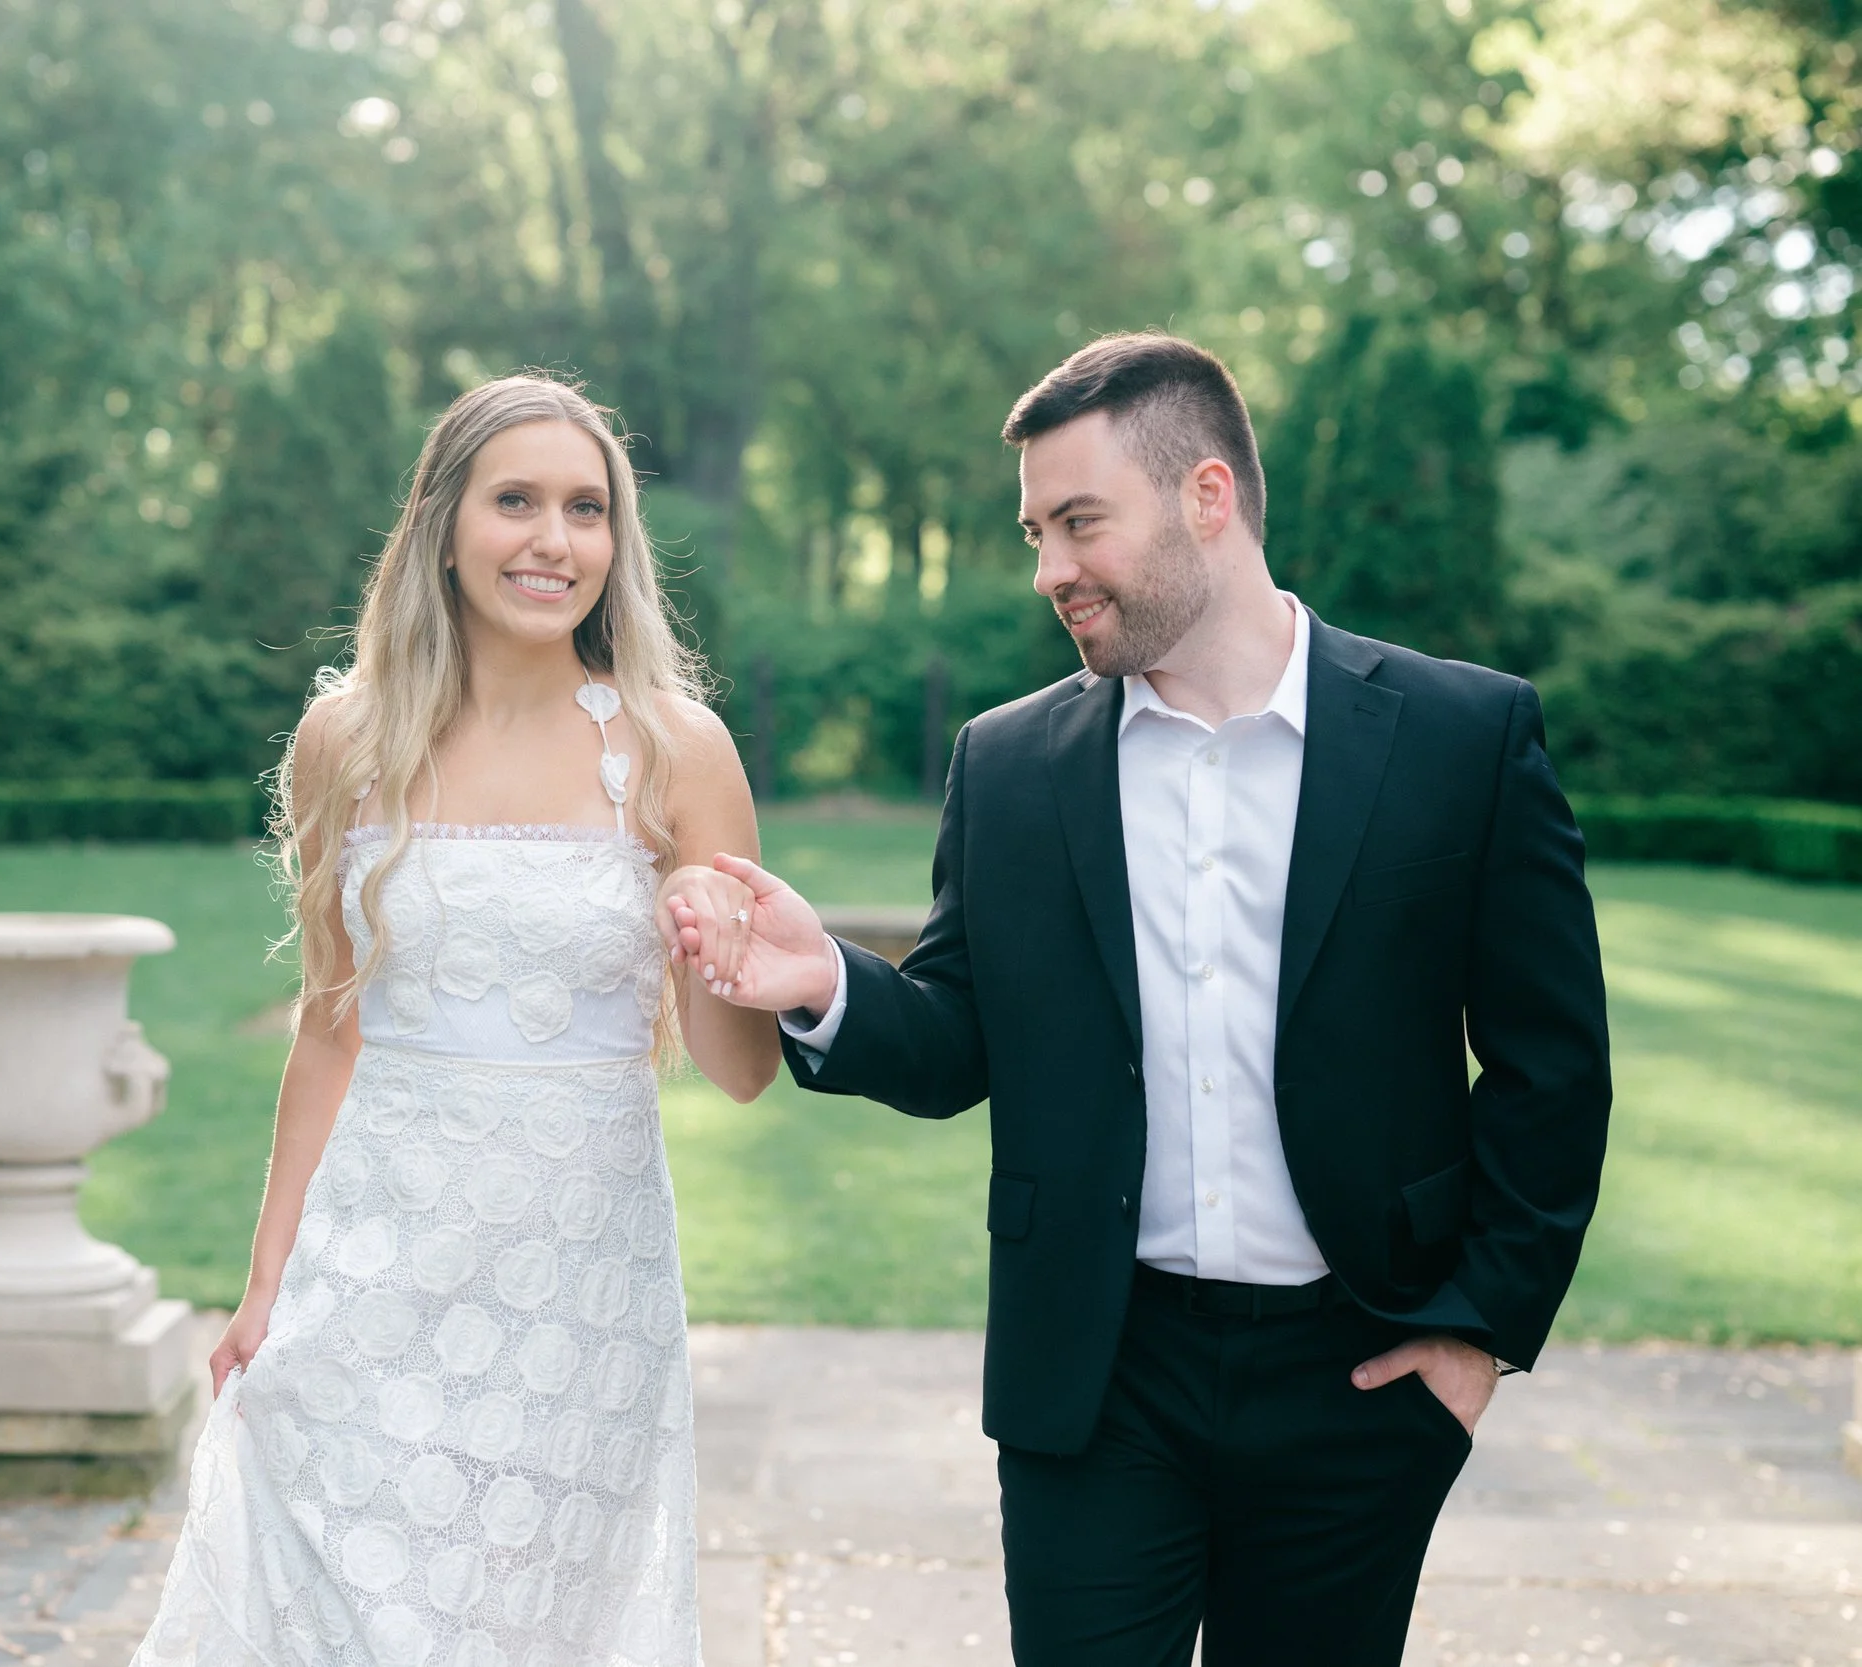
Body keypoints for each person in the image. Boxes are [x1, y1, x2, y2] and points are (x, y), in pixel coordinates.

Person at [669, 333, 1612, 1665]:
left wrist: (1474, 1337)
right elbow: (957, 1038)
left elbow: (1551, 1066)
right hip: (1096, 1377)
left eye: (1079, 522)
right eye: (1036, 532)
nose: (1049, 569)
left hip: (1361, 1380)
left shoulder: (1462, 738)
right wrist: (824, 980)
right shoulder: (1010, 765)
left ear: (1206, 497)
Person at [129, 373, 775, 1667]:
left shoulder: (678, 749)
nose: (555, 539)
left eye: (586, 508)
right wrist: (266, 1286)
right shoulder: (345, 740)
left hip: (575, 1292)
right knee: (347, 1608)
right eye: (516, 500)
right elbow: (330, 1028)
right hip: (373, 1258)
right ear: (442, 524)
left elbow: (743, 1071)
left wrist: (712, 946)